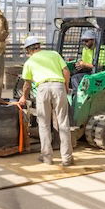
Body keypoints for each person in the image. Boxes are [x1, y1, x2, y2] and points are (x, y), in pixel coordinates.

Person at [17, 36, 73, 167]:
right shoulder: (54, 54)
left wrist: (23, 97)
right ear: (39, 46)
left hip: (42, 89)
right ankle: (67, 159)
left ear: (28, 50)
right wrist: (65, 86)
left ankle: (47, 158)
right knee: (63, 122)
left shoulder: (29, 62)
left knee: (44, 124)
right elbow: (66, 71)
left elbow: (27, 84)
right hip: (58, 86)